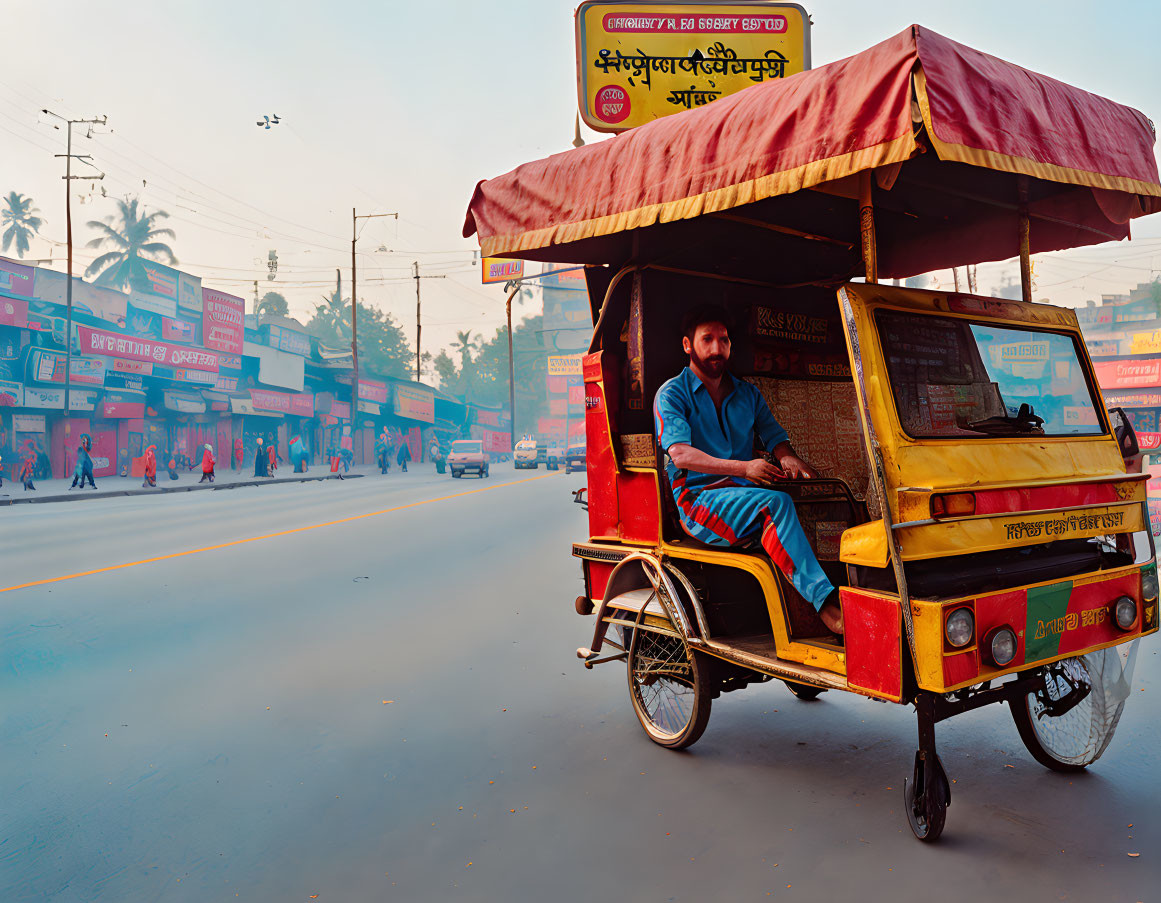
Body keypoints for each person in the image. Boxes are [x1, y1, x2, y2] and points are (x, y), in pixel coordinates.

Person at [653, 304, 843, 634]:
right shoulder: (672, 393)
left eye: (723, 340)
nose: (716, 349)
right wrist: (744, 468)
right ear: (688, 345)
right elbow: (681, 455)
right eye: (707, 339)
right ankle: (827, 608)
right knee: (775, 504)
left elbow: (775, 438)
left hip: (744, 493)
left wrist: (787, 458)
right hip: (697, 501)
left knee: (822, 501)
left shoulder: (747, 394)